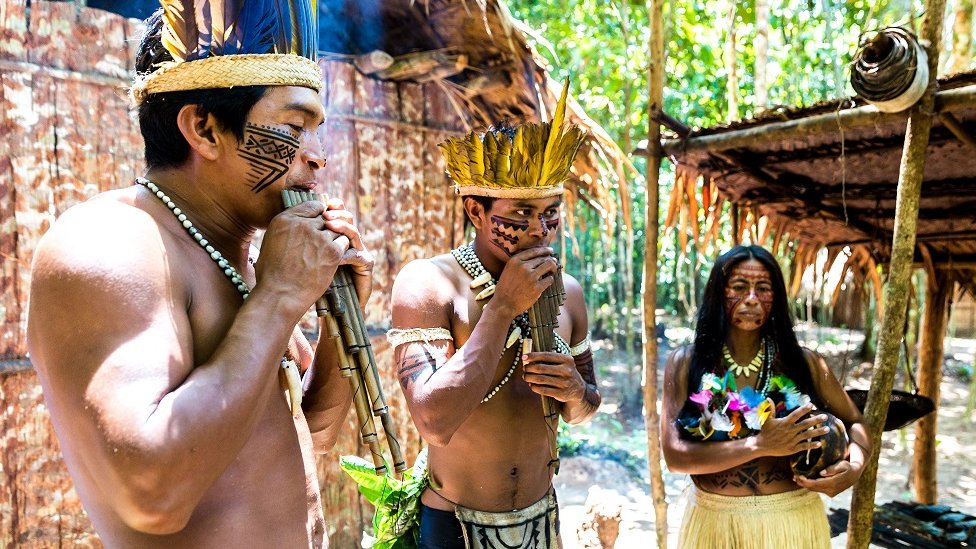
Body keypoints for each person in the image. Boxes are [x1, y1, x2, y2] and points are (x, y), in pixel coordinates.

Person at [25, 4, 367, 547]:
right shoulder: (111, 242)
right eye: (295, 125)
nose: (319, 156)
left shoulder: (240, 259)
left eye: (318, 130)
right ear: (205, 129)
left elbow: (309, 435)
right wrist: (279, 297)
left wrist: (335, 331)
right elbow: (150, 493)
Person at [387, 82, 601, 549]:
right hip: (454, 527)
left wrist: (574, 391)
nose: (538, 229)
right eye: (521, 213)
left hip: (543, 518)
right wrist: (504, 306)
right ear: (475, 211)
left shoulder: (568, 293)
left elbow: (585, 410)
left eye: (550, 212)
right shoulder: (429, 284)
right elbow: (433, 423)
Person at [661, 245, 872, 548]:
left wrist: (855, 468)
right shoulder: (686, 363)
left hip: (793, 524)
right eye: (739, 287)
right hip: (716, 527)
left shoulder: (805, 363)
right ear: (718, 294)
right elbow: (675, 457)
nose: (751, 298)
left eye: (762, 288)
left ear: (776, 299)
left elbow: (857, 421)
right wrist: (760, 445)